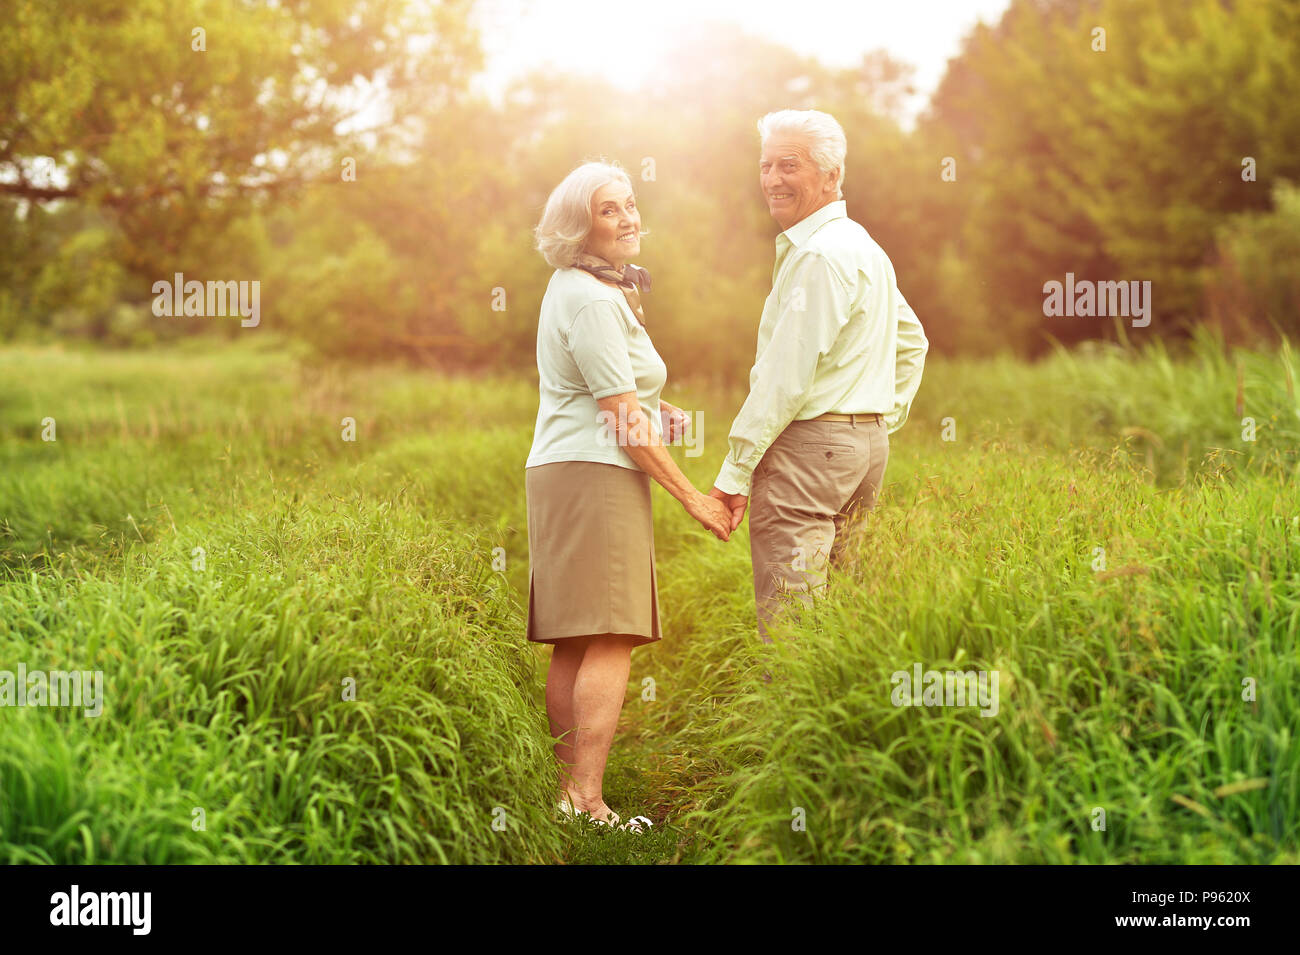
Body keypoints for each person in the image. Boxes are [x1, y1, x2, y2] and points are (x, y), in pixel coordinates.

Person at [526, 160, 732, 829]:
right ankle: (585, 800)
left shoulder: (583, 288)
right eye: (609, 209)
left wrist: (654, 402)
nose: (628, 217)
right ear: (578, 226)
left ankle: (567, 795)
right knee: (611, 632)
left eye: (630, 204)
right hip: (595, 472)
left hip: (569, 466)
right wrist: (693, 496)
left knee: (578, 637)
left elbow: (606, 386)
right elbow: (616, 411)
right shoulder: (588, 294)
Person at [709, 109, 929, 642]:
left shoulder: (820, 255)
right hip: (863, 451)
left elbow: (785, 378)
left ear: (832, 176)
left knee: (792, 623)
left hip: (811, 450)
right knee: (848, 612)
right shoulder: (862, 247)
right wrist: (874, 421)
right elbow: (913, 342)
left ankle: (791, 722)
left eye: (790, 165)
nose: (772, 179)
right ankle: (841, 717)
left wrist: (734, 475)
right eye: (765, 166)